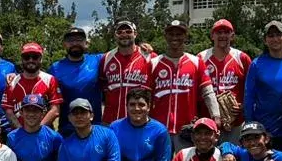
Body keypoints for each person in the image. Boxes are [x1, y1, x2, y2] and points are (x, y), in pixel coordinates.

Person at [150, 19, 219, 151]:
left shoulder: (196, 62)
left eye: (179, 34)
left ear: (186, 36)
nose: (175, 37)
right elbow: (146, 96)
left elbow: (208, 92)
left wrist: (216, 115)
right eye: (171, 34)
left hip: (187, 128)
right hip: (159, 127)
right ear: (165, 36)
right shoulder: (154, 63)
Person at [243, 21, 282, 157]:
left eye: (278, 35)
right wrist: (250, 126)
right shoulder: (257, 64)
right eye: (270, 36)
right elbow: (249, 97)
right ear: (265, 40)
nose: (275, 39)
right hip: (266, 129)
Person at [199, 19, 252, 142]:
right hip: (207, 121)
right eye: (219, 32)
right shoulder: (201, 58)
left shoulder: (241, 58)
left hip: (235, 121)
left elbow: (251, 89)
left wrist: (243, 106)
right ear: (212, 36)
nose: (222, 35)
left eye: (226, 32)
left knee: (233, 153)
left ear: (232, 35)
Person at [50, 25, 103, 134]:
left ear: (86, 43)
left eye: (79, 40)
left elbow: (120, 52)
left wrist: (139, 48)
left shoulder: (98, 60)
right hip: (67, 129)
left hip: (95, 127)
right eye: (70, 40)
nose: (75, 43)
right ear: (64, 44)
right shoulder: (55, 68)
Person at [100, 20, 153, 124]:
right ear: (115, 35)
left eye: (128, 31)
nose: (124, 34)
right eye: (119, 32)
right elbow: (102, 85)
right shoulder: (106, 58)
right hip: (111, 121)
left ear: (135, 34)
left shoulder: (149, 57)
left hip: (140, 122)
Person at [1, 43, 62, 129]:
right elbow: (8, 110)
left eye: (35, 57)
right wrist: (21, 131)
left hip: (43, 131)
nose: (30, 60)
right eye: (26, 57)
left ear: (41, 59)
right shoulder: (12, 81)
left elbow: (55, 110)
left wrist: (37, 130)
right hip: (19, 132)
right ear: (22, 59)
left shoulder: (50, 80)